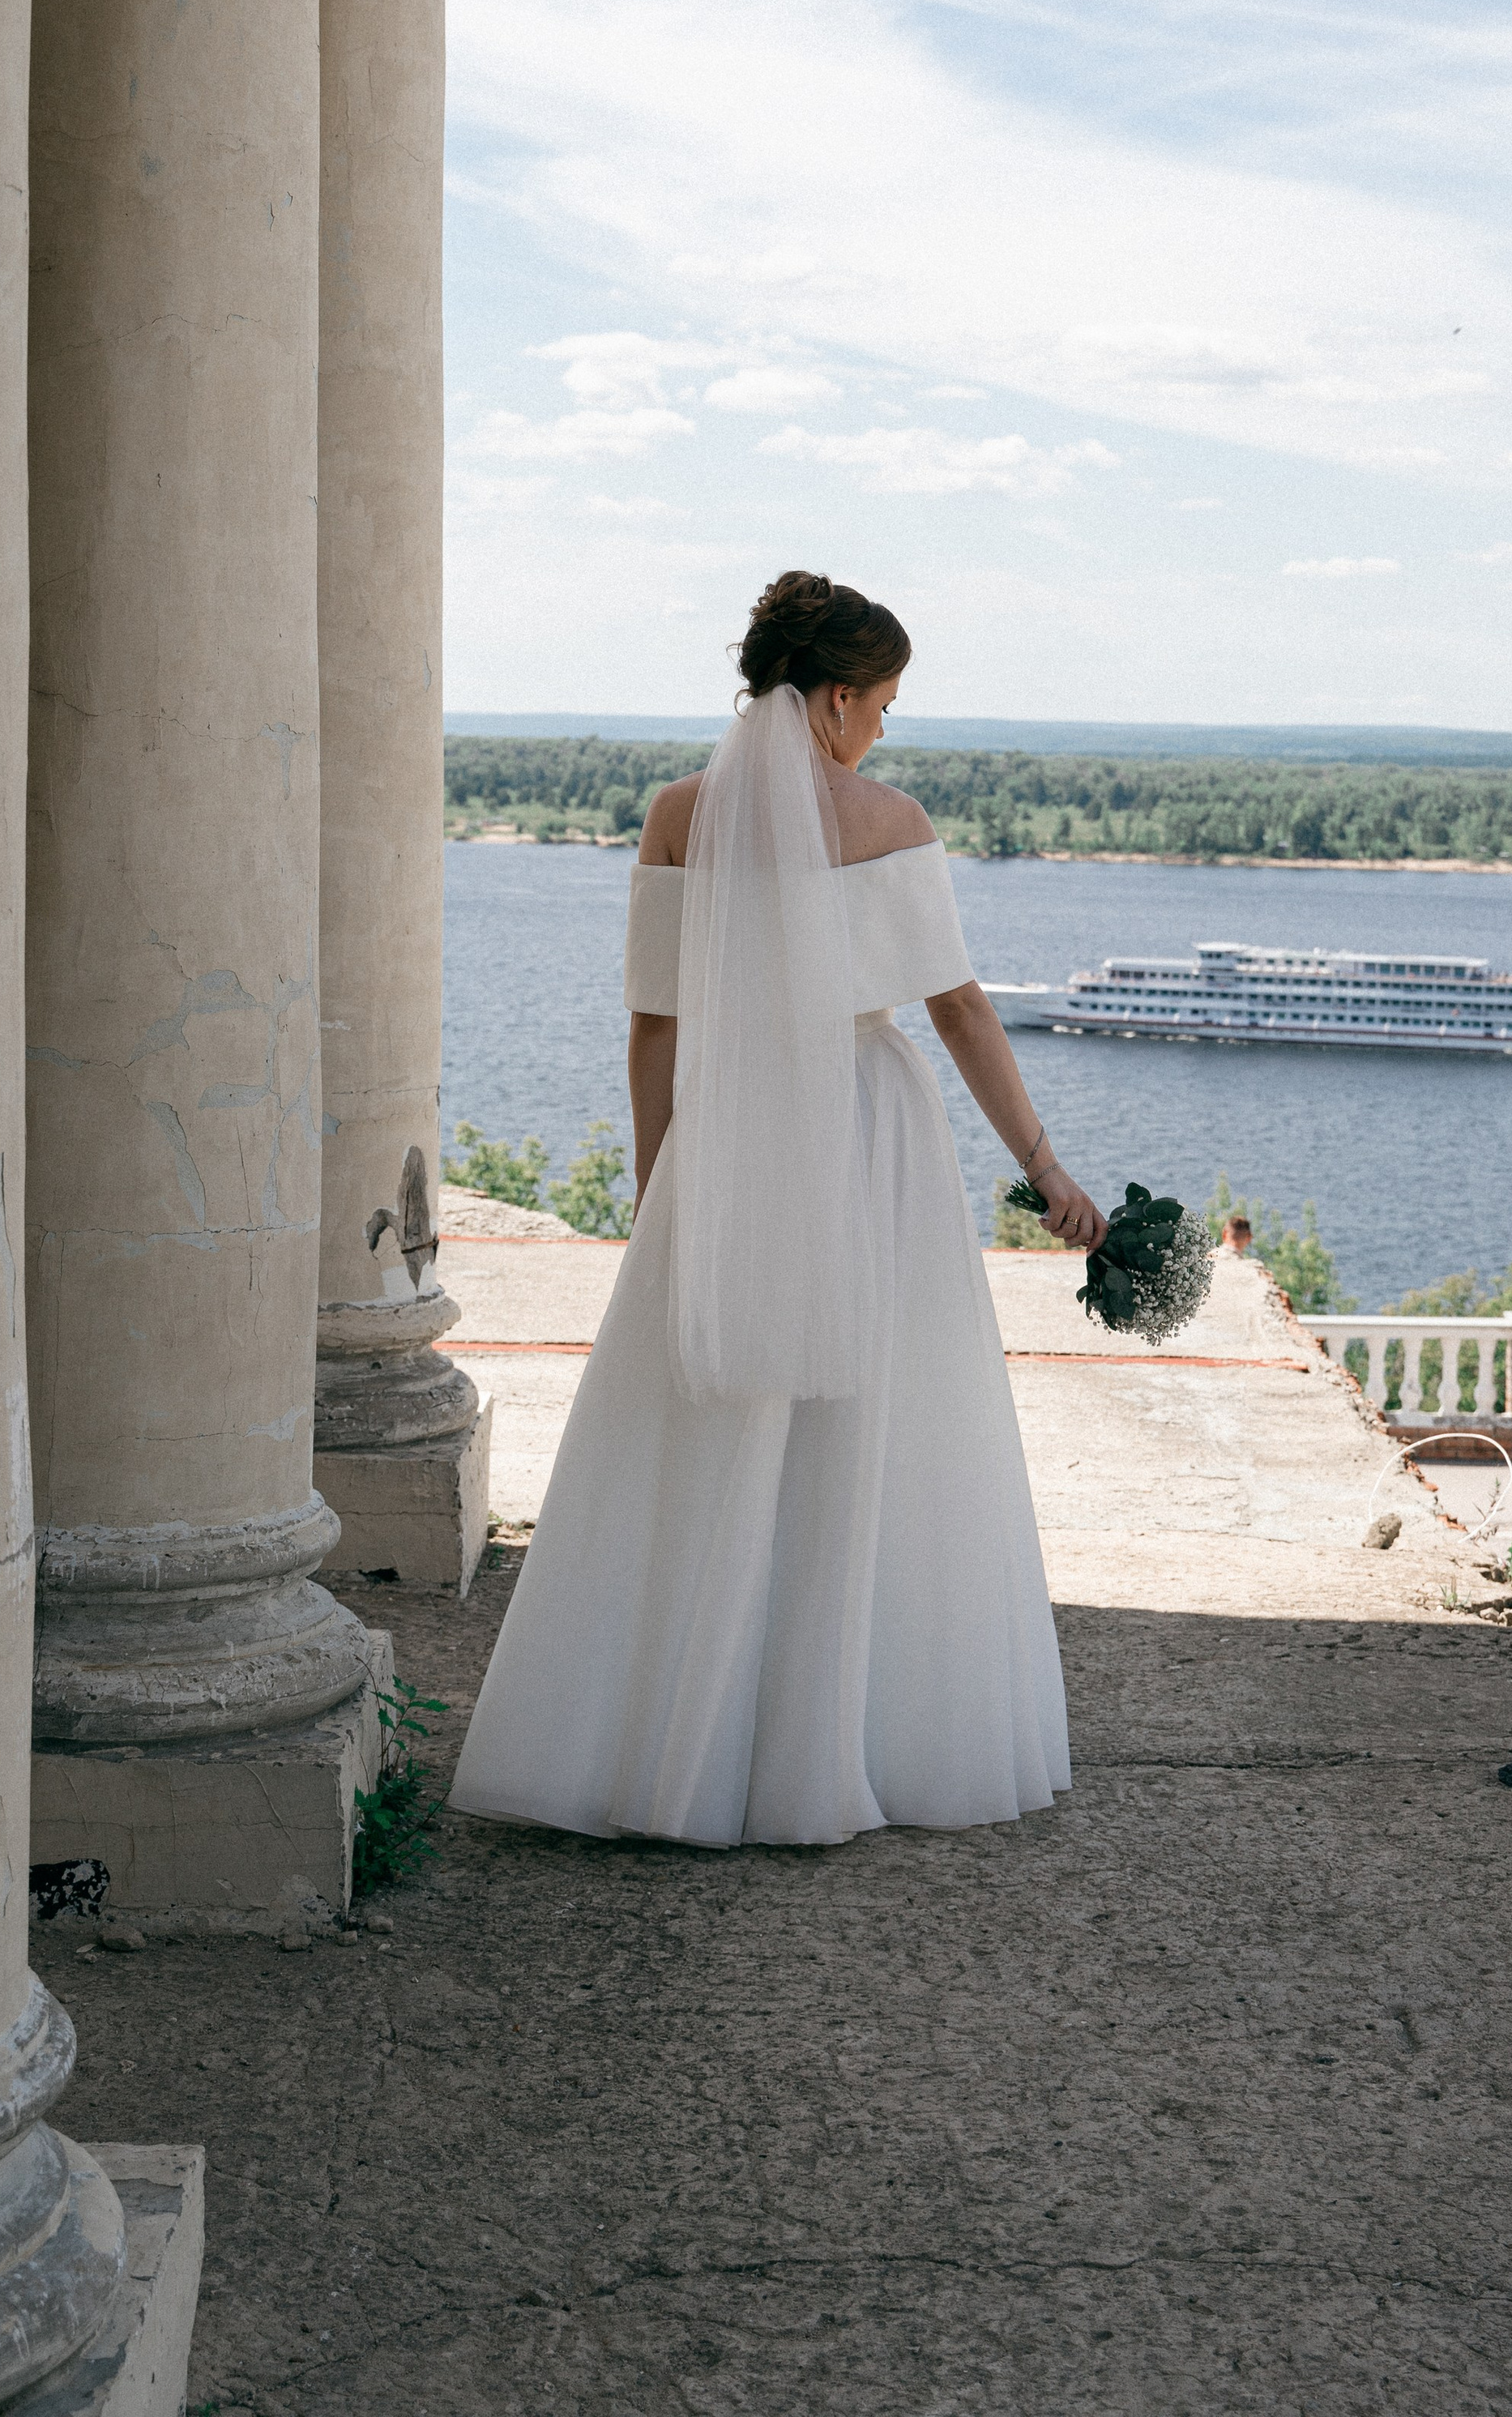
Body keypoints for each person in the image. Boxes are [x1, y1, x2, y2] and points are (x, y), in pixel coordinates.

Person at [449, 571, 1104, 1849]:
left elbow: (651, 1025)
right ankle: (842, 1732)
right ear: (840, 697)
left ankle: (674, 1743)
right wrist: (1046, 1168)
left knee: (712, 1423)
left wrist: (660, 1190)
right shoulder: (889, 816)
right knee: (876, 1420)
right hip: (869, 1130)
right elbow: (960, 1010)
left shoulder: (679, 815)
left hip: (728, 1130)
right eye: (885, 704)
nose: (885, 731)